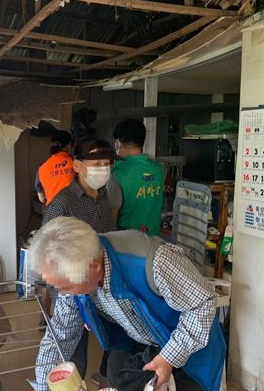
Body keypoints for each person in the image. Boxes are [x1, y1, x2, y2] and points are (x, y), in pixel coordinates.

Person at [28, 217, 226, 391]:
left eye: (66, 287)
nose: (63, 294)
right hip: (140, 342)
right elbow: (60, 335)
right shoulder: (75, 274)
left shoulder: (154, 261)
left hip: (190, 345)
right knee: (116, 369)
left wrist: (169, 357)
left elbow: (203, 304)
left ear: (94, 268)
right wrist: (43, 386)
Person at [41, 138, 123, 386]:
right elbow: (47, 250)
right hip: (74, 286)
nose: (103, 169)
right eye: (96, 164)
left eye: (107, 164)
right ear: (77, 166)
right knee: (74, 346)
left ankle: (107, 383)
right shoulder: (63, 203)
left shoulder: (103, 196)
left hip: (104, 281)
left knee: (119, 337)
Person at [107, 118, 165, 235]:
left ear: (117, 143)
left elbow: (112, 217)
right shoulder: (158, 169)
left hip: (127, 240)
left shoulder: (117, 172)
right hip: (153, 238)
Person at [35, 129, 74, 206]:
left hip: (52, 210)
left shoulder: (42, 168)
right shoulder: (76, 165)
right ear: (69, 145)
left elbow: (42, 199)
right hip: (72, 209)